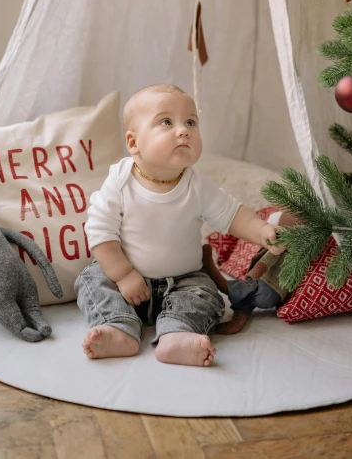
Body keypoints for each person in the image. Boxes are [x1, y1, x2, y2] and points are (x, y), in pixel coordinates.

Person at [75, 83, 285, 367]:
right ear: (133, 143)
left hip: (183, 280)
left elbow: (232, 214)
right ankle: (118, 326)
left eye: (190, 122)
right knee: (92, 280)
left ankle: (177, 333)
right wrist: (123, 275)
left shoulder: (197, 185)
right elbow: (100, 233)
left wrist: (260, 230)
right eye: (166, 122)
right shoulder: (120, 182)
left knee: (206, 293)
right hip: (126, 279)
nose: (183, 130)